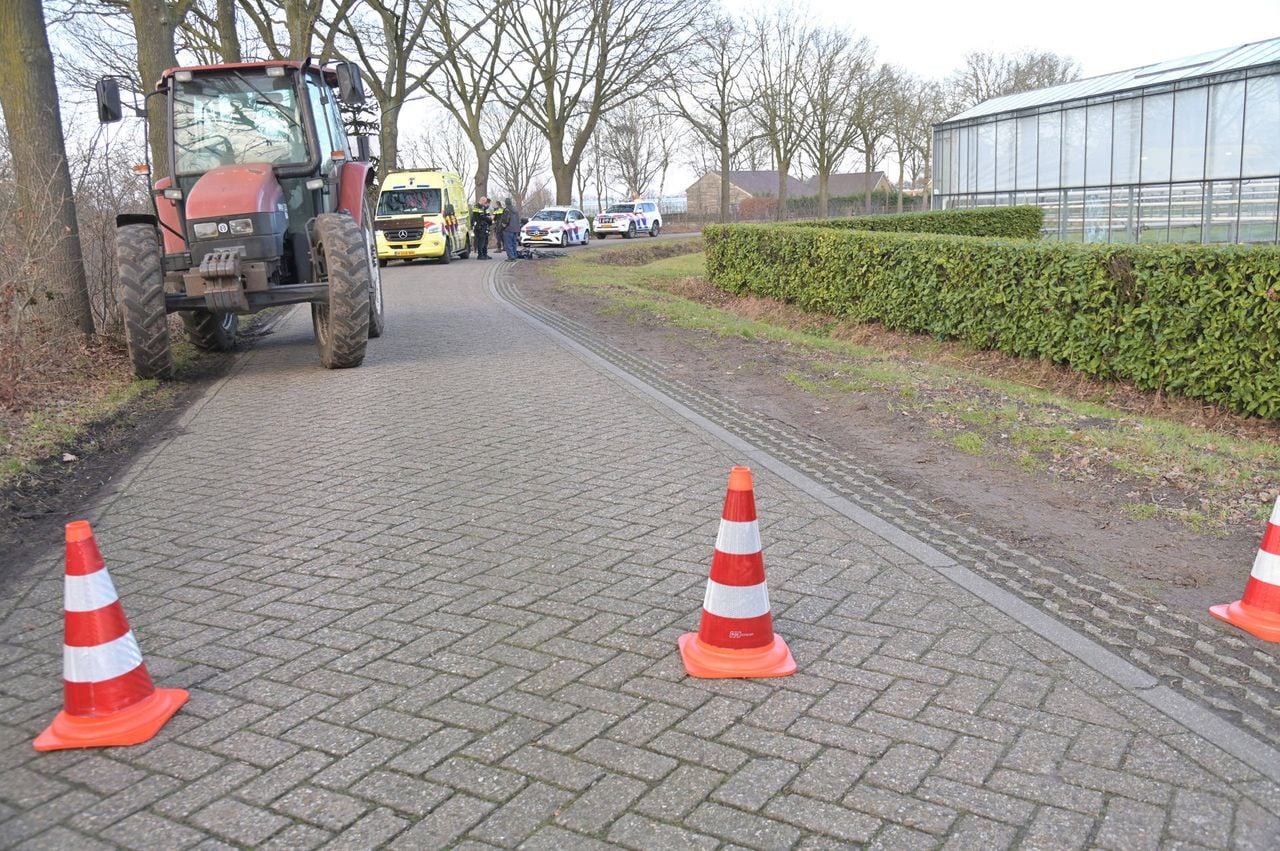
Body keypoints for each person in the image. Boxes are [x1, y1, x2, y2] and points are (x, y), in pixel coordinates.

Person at [501, 196, 520, 260]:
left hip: (508, 229)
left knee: (508, 244)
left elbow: (505, 220)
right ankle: (514, 256)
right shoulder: (515, 210)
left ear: (505, 203)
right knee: (514, 244)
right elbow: (518, 220)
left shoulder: (507, 210)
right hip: (516, 229)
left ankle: (511, 257)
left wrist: (503, 227)